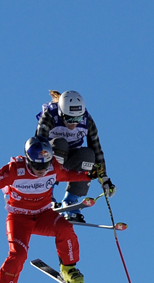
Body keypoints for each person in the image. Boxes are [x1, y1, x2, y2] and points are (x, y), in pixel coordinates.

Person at [0, 136, 93, 283]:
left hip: (43, 215)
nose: (41, 170)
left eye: (45, 165)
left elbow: (69, 175)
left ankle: (68, 269)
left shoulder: (53, 167)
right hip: (19, 218)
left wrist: (92, 175)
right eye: (37, 166)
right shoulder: (14, 170)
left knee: (65, 228)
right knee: (18, 255)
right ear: (28, 159)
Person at [35, 90, 115, 222]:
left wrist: (104, 177)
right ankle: (47, 195)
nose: (74, 124)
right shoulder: (50, 115)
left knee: (89, 155)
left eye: (77, 119)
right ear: (61, 113)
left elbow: (96, 149)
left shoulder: (87, 120)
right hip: (51, 158)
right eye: (70, 119)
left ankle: (70, 201)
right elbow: (39, 143)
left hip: (73, 159)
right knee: (60, 144)